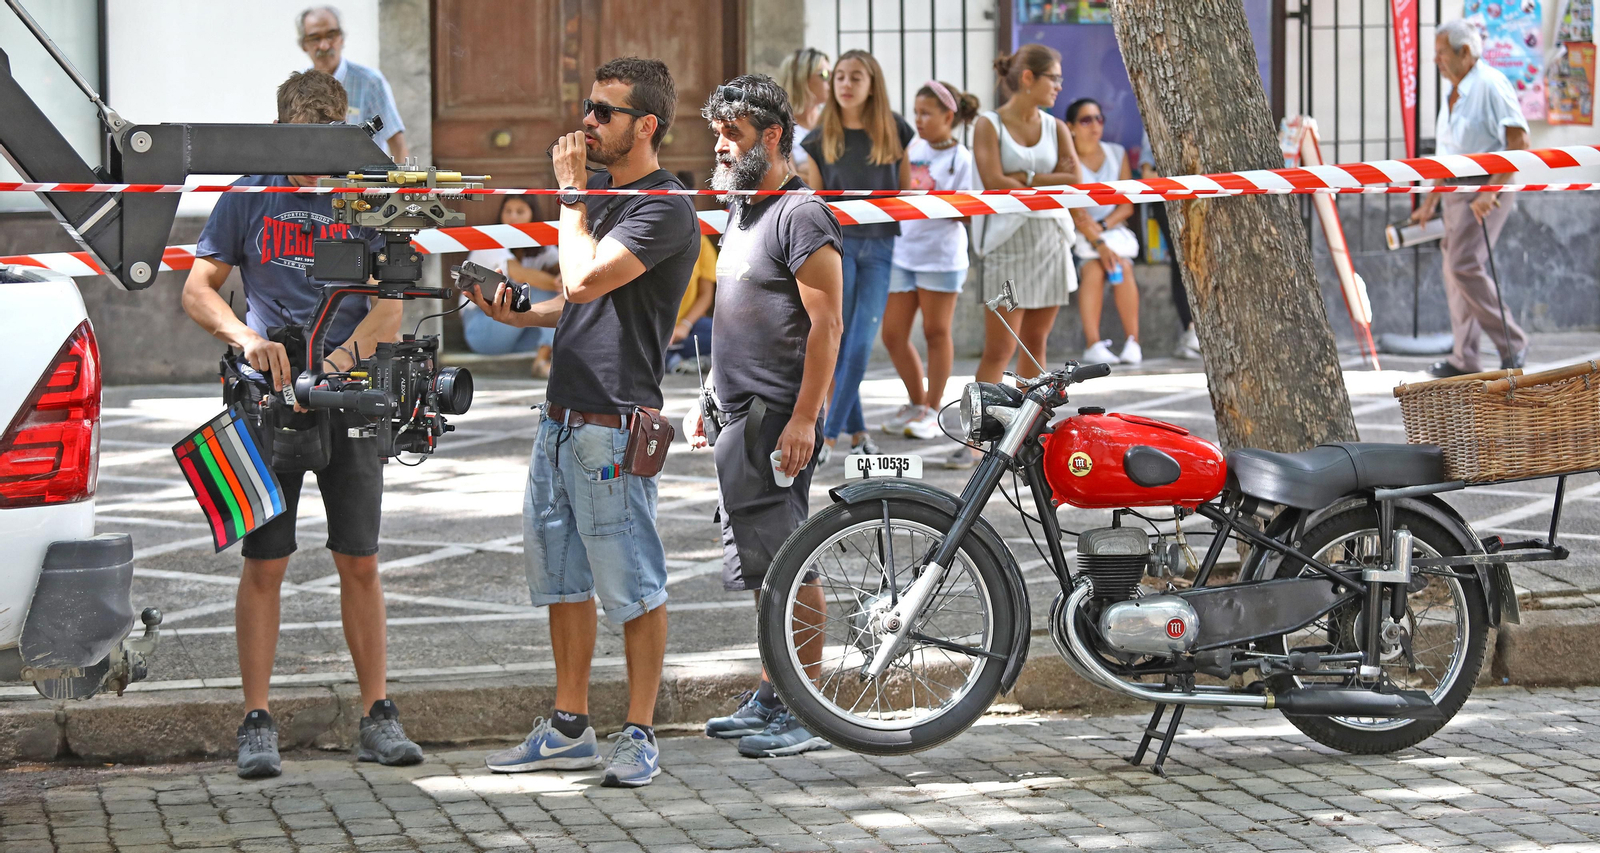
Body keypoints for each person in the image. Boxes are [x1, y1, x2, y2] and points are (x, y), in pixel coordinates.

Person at [181, 70, 422, 779]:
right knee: (266, 562)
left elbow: (393, 304)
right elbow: (198, 288)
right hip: (267, 401)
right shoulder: (249, 192)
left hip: (349, 402)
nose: (314, 168)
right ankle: (257, 719)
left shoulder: (365, 193)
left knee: (362, 560)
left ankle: (378, 713)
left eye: (327, 148)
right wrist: (243, 338)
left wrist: (344, 361)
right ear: (279, 131)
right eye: (301, 149)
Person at [473, 58, 699, 789]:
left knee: (633, 583)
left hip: (613, 419)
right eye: (588, 107)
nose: (587, 122)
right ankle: (570, 726)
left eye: (604, 111)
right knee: (563, 579)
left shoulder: (664, 208)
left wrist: (571, 196)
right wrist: (516, 309)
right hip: (562, 416)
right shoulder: (599, 200)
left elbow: (582, 277)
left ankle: (639, 732)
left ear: (647, 125)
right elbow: (576, 302)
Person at [693, 75, 844, 758]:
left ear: (773, 135)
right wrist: (706, 400)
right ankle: (775, 689)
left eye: (734, 133)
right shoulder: (739, 209)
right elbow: (732, 318)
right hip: (736, 418)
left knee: (792, 563)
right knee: (763, 568)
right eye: (718, 132)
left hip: (776, 419)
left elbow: (828, 324)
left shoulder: (800, 214)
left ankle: (807, 707)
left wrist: (805, 418)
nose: (721, 146)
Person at [950, 44, 1085, 469]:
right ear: (1028, 77)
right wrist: (1044, 181)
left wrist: (1024, 178)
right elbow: (992, 181)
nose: (1060, 87)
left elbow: (1074, 178)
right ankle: (976, 435)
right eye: (1054, 78)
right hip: (1006, 247)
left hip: (1050, 239)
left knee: (1037, 343)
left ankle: (1023, 435)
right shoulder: (988, 124)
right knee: (999, 345)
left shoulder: (1057, 126)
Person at [796, 49, 914, 464]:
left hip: (882, 246)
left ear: (872, 84)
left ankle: (830, 435)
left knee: (861, 344)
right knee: (841, 340)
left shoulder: (895, 130)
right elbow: (817, 201)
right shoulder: (817, 138)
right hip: (836, 248)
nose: (845, 84)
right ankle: (847, 434)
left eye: (855, 77)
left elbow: (905, 190)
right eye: (839, 76)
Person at [1412, 18, 1531, 377]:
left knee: (1463, 264)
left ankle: (1513, 343)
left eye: (1441, 53)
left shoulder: (1491, 84)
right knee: (1454, 271)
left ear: (1465, 52)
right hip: (1454, 187)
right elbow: (1446, 153)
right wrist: (1430, 202)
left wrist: (1490, 192)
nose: (1436, 61)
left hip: (1485, 183)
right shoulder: (1453, 93)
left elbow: (1520, 144)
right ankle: (1465, 358)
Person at [879, 80, 981, 441]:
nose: (918, 120)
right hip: (904, 252)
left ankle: (933, 408)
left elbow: (972, 211)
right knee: (892, 333)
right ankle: (917, 401)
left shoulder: (962, 158)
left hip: (941, 257)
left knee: (935, 332)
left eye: (926, 113)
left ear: (948, 116)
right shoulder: (911, 146)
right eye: (916, 113)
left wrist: (944, 206)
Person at [1066, 98, 1141, 366]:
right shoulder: (1067, 160)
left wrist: (1105, 228)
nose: (1095, 125)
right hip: (1079, 237)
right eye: (1086, 120)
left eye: (1099, 119)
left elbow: (1126, 205)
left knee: (1122, 267)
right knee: (1093, 270)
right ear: (1071, 126)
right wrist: (1098, 240)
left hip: (1109, 231)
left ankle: (1133, 341)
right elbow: (1076, 213)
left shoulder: (1116, 153)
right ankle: (1093, 344)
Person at [460, 196, 560, 377]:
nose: (513, 216)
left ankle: (549, 356)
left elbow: (563, 266)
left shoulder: (541, 248)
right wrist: (559, 283)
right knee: (532, 291)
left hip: (520, 336)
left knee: (565, 310)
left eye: (520, 212)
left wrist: (563, 274)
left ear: (533, 216)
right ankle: (542, 362)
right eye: (508, 211)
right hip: (483, 330)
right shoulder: (488, 241)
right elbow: (518, 273)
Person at [297, 5, 407, 162]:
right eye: (315, 38)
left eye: (331, 35)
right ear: (303, 45)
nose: (324, 45)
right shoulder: (298, 86)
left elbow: (397, 144)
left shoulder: (370, 82)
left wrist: (400, 183)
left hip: (363, 183)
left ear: (341, 38)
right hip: (315, 184)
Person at [1139, 131, 1201, 360]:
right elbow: (1148, 175)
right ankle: (1191, 331)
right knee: (1183, 261)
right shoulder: (1155, 130)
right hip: (1170, 202)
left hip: (1205, 198)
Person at [664, 171, 718, 375]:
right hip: (652, 329)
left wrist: (684, 326)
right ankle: (678, 362)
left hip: (688, 327)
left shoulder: (702, 243)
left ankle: (679, 361)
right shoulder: (648, 237)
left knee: (725, 335)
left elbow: (705, 294)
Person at [776, 47, 831, 171]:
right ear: (802, 79)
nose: (832, 81)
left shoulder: (832, 121)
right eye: (825, 74)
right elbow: (791, 179)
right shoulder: (779, 127)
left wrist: (805, 169)